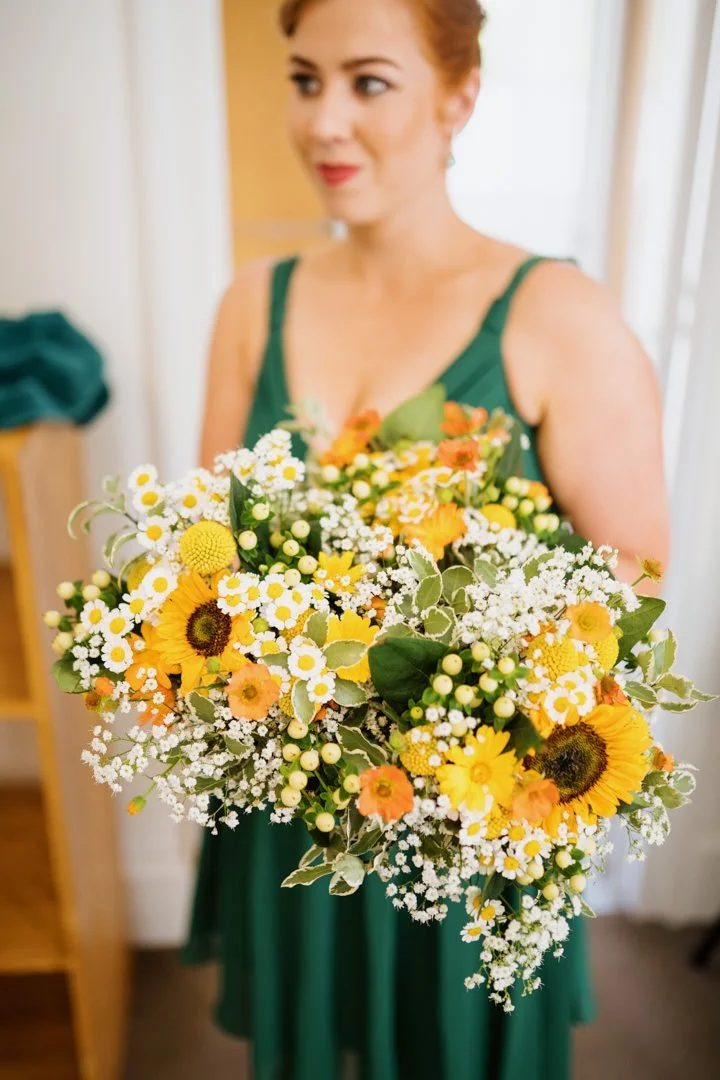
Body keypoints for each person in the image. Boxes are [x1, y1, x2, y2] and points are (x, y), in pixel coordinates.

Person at [182, 1, 670, 1078]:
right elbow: (203, 555)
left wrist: (479, 689)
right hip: (296, 803)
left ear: (460, 97)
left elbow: (631, 576)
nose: (324, 124)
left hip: (466, 823)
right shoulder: (248, 306)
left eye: (369, 81)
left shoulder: (557, 315)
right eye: (305, 81)